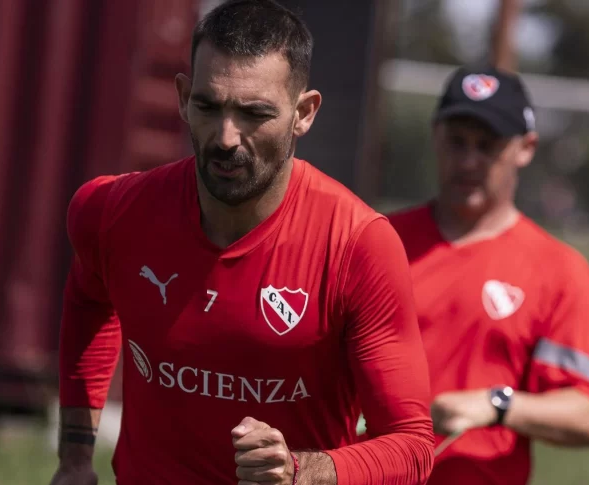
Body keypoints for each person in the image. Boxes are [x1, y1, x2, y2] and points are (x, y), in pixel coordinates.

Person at [49, 1, 435, 484]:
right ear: (183, 97)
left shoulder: (357, 245)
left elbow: (413, 447)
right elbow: (88, 303)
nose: (226, 137)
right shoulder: (111, 211)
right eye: (208, 107)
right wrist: (75, 456)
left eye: (254, 113)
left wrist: (302, 472)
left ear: (304, 113)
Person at [386, 65, 589, 485]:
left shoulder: (558, 270)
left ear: (526, 148)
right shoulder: (379, 241)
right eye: (457, 142)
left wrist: (498, 405)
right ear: (436, 135)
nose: (468, 161)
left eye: (487, 146)